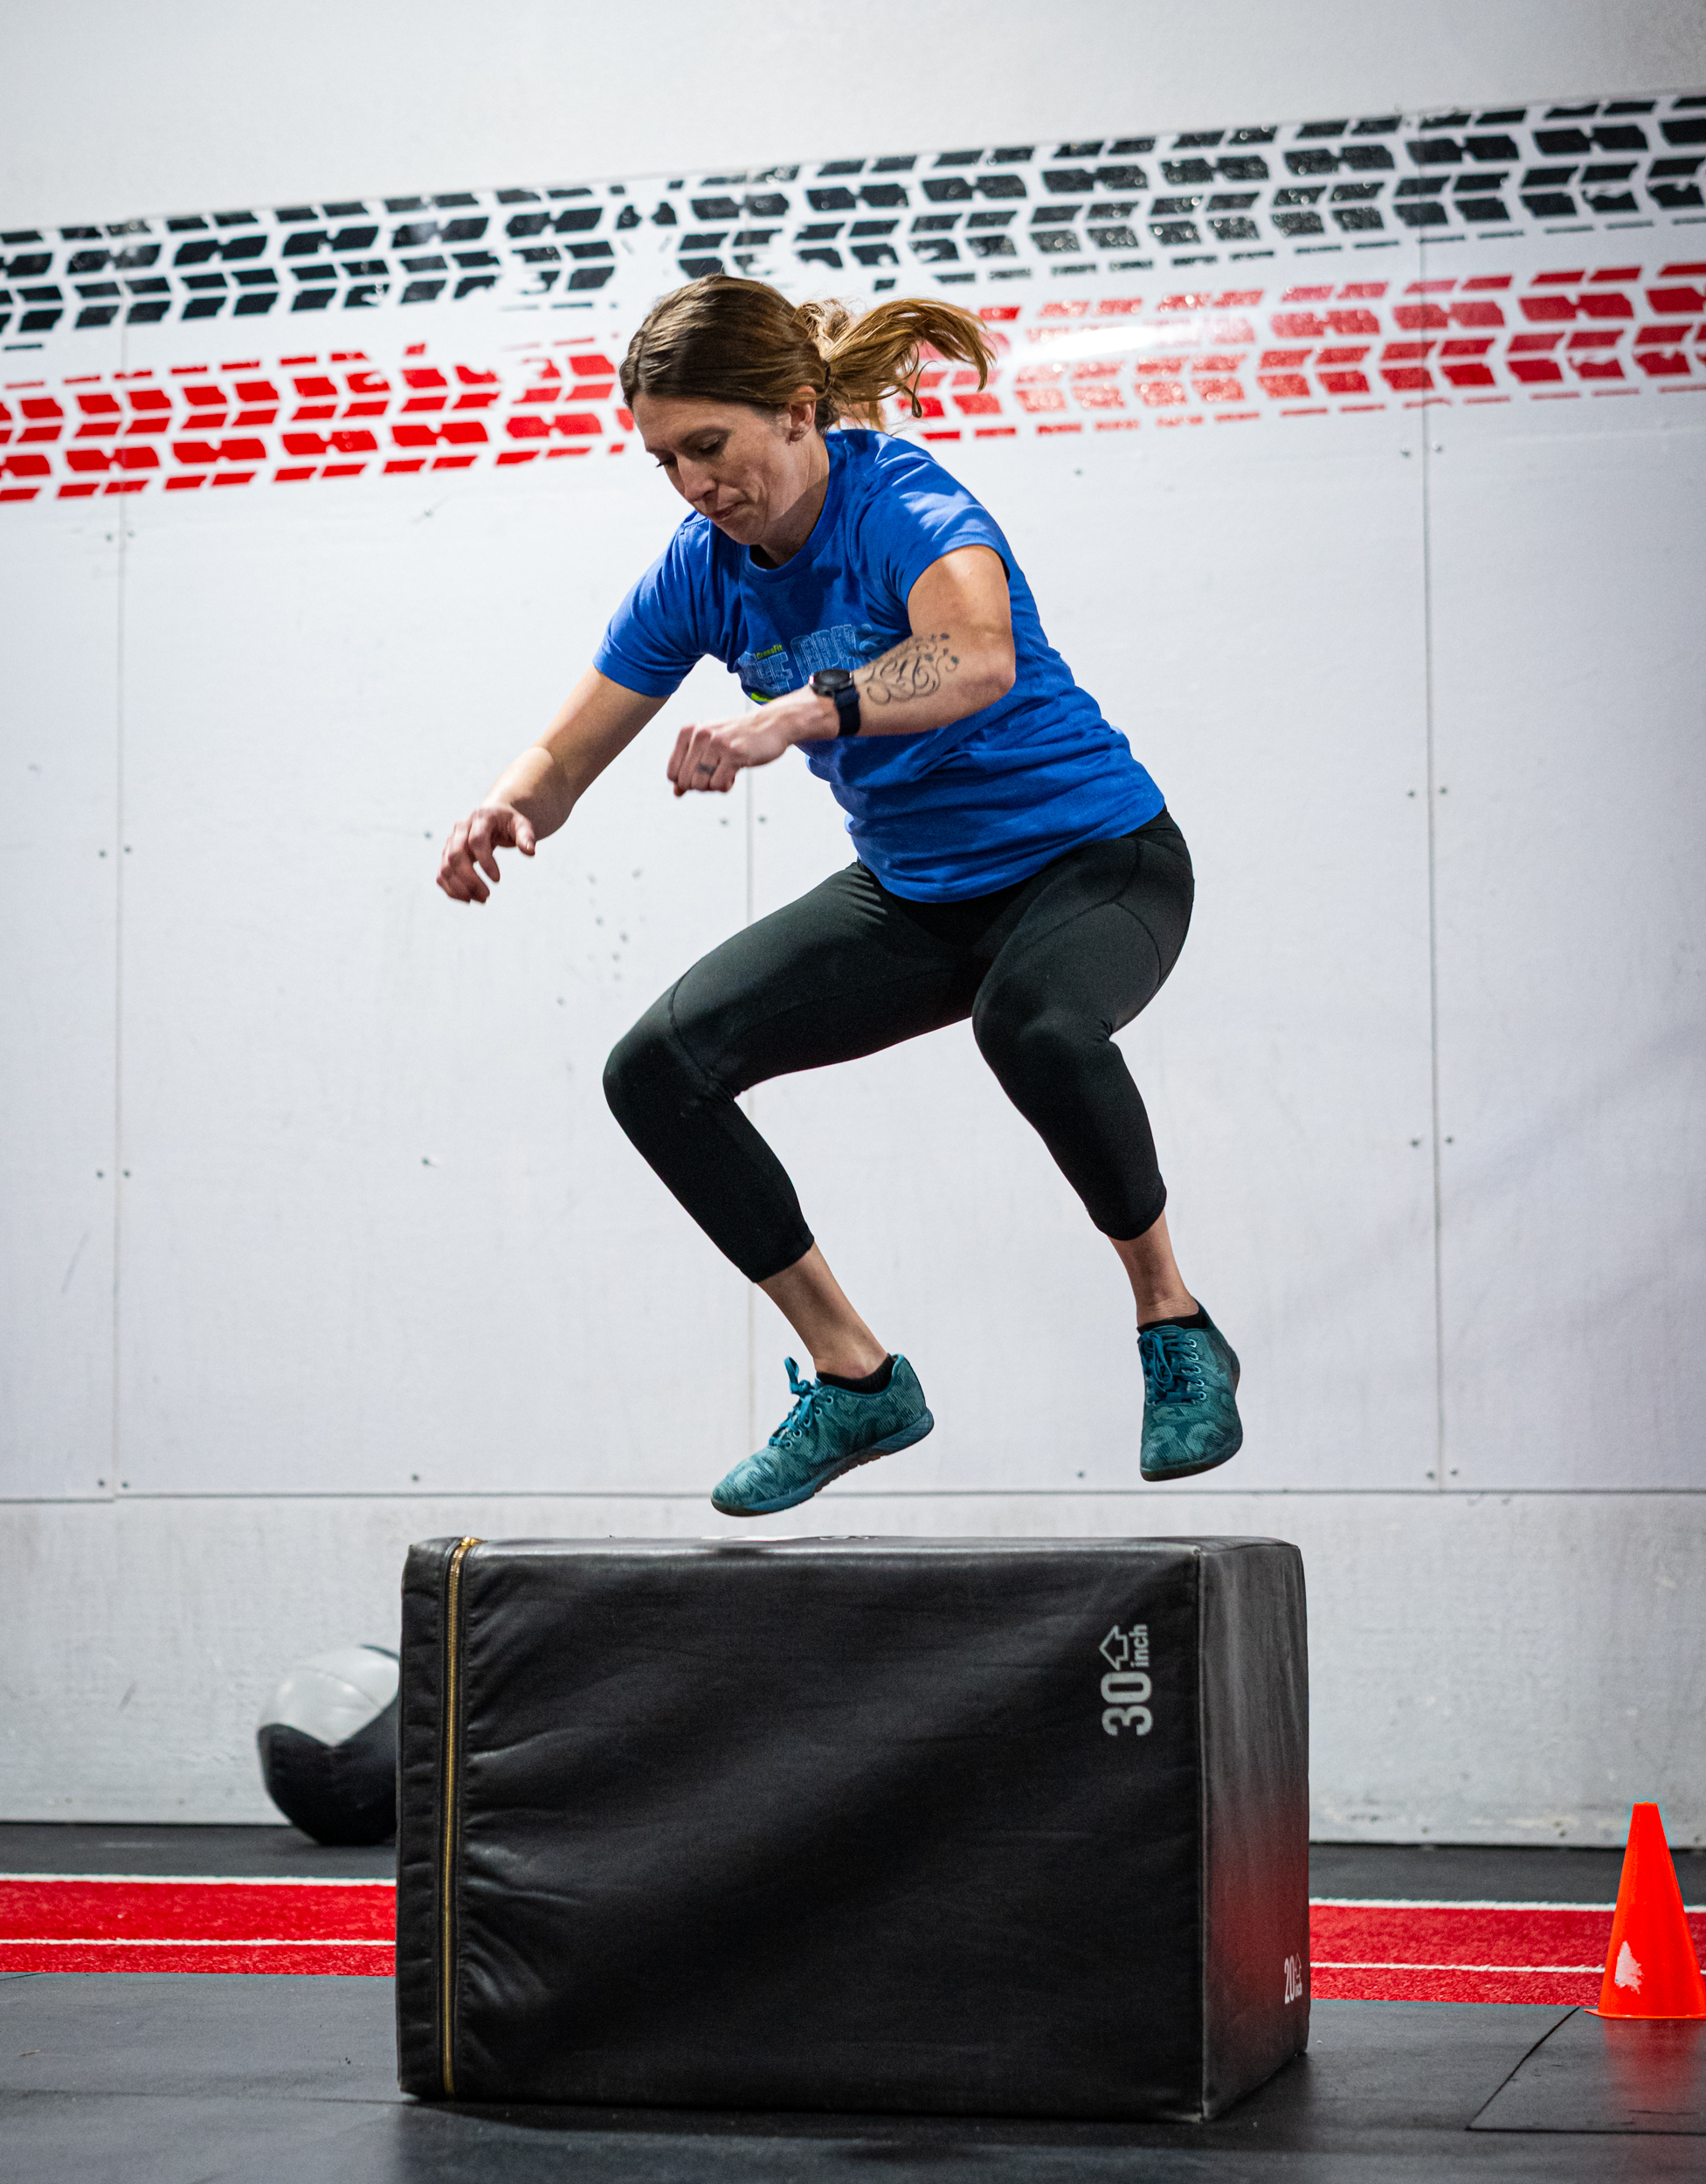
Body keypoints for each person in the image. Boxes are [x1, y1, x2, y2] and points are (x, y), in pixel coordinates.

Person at [437, 275, 1241, 1516]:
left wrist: (797, 715)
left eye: (711, 445)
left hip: (1094, 860)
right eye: (665, 460)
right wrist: (507, 805)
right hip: (921, 893)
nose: (694, 483)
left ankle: (1173, 1322)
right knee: (656, 1071)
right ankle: (856, 1378)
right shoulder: (702, 571)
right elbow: (567, 751)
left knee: (1031, 1025)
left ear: (799, 412)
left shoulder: (905, 504)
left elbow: (977, 656)